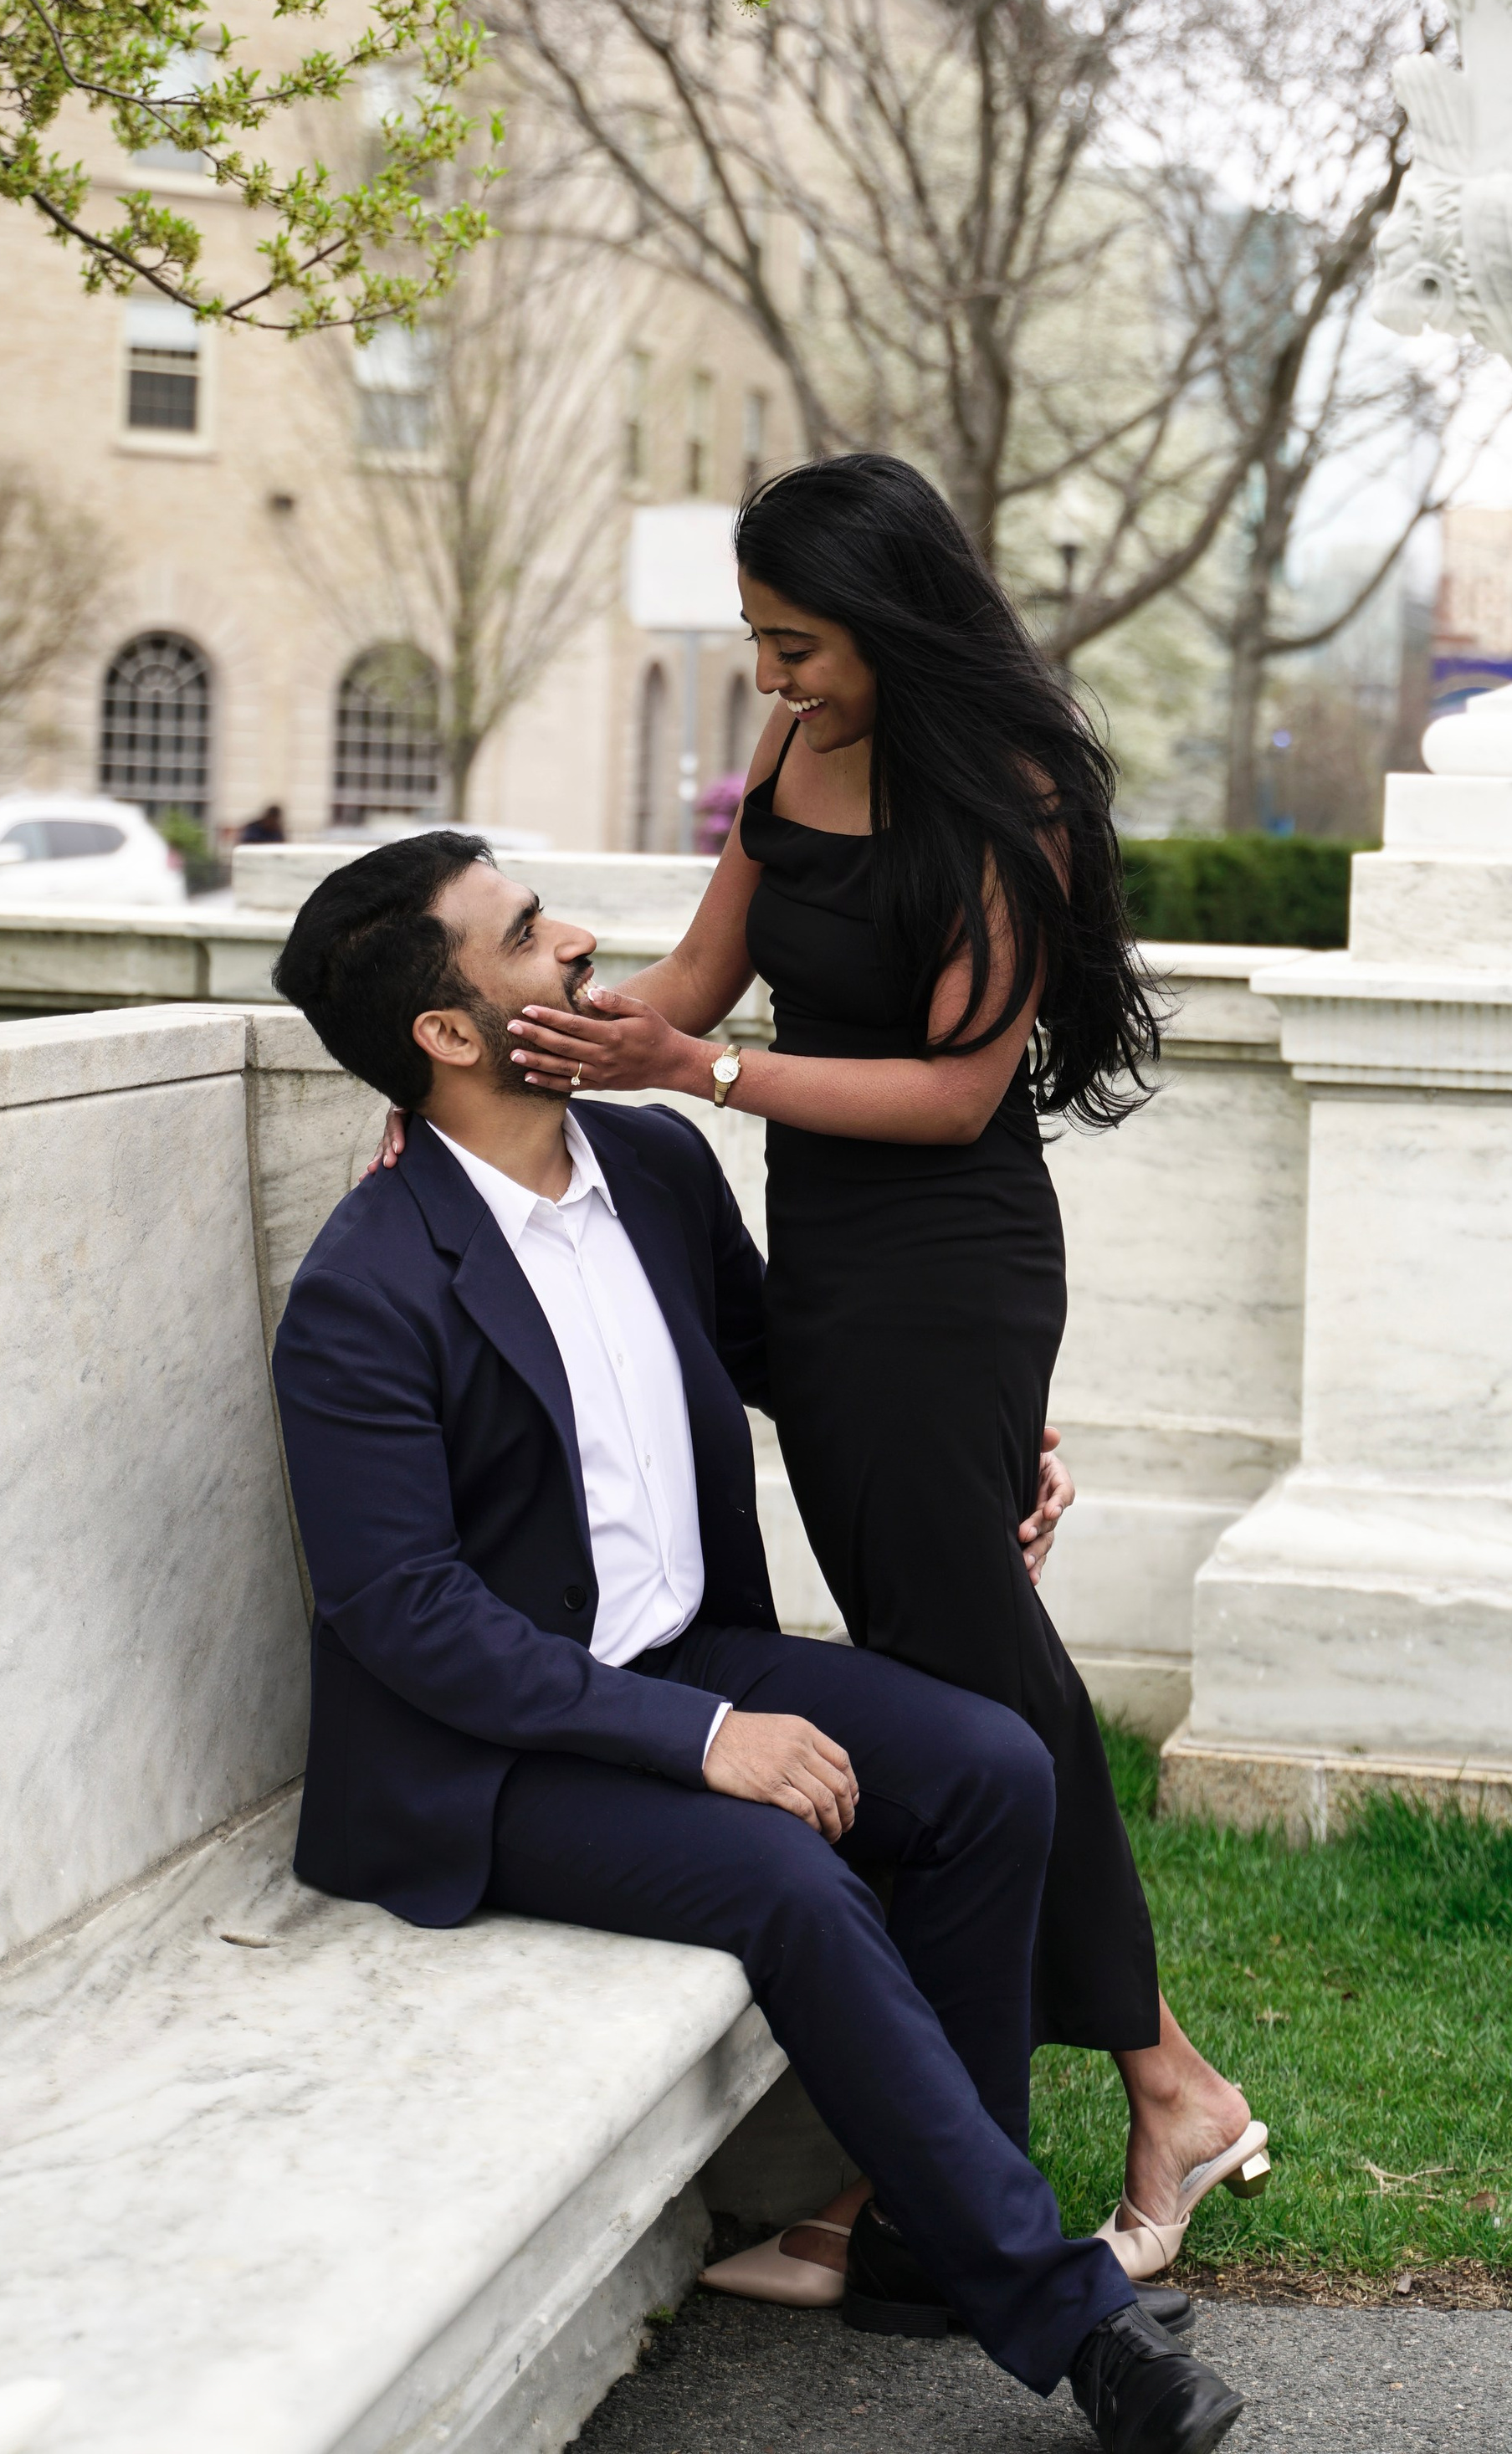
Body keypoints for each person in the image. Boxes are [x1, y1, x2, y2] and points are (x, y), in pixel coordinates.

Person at [269, 832, 1243, 2454]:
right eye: (526, 934)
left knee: (993, 1767)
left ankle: (935, 2235)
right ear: (445, 1032)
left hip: (687, 1646)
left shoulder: (648, 1164)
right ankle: (1064, 2316)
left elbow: (798, 1356)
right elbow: (404, 1612)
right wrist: (702, 1741)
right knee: (787, 1871)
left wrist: (995, 1439)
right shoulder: (367, 1287)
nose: (580, 943)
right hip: (488, 1759)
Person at [483, 453, 1267, 2295]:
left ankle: (1125, 2095)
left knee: (970, 1684)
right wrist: (472, 1080)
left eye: (797, 644)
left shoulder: (1006, 799)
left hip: (947, 1260)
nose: (773, 680)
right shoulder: (790, 768)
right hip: (828, 1264)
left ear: (888, 617)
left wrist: (705, 1077)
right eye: (758, 644)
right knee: (956, 1681)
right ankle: (985, 2138)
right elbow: (684, 979)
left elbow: (954, 1093)